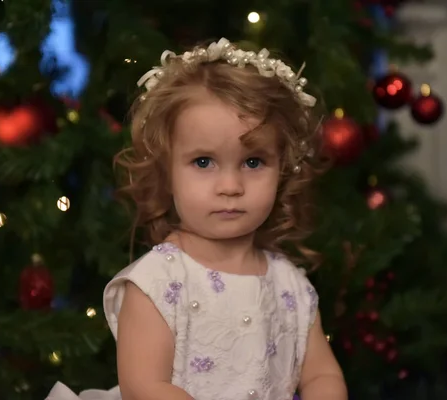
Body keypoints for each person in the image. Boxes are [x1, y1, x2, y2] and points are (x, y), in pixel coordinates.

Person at [47, 37, 347, 400]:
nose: (231, 186)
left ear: (282, 169)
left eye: (253, 162)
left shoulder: (290, 286)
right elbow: (144, 386)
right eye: (203, 162)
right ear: (166, 172)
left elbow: (321, 375)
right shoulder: (158, 283)